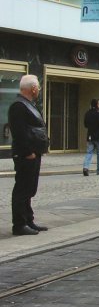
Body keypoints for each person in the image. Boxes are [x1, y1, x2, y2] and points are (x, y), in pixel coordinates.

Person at [8, 75, 48, 236]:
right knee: (22, 189)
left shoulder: (28, 105)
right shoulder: (18, 106)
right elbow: (19, 132)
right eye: (38, 87)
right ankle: (19, 224)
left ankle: (28, 219)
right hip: (26, 154)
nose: (38, 89)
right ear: (32, 88)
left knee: (30, 189)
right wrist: (27, 152)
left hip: (33, 153)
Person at [83, 98, 99, 176]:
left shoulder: (88, 113)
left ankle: (86, 167)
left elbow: (85, 125)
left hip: (90, 136)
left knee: (89, 152)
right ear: (97, 104)